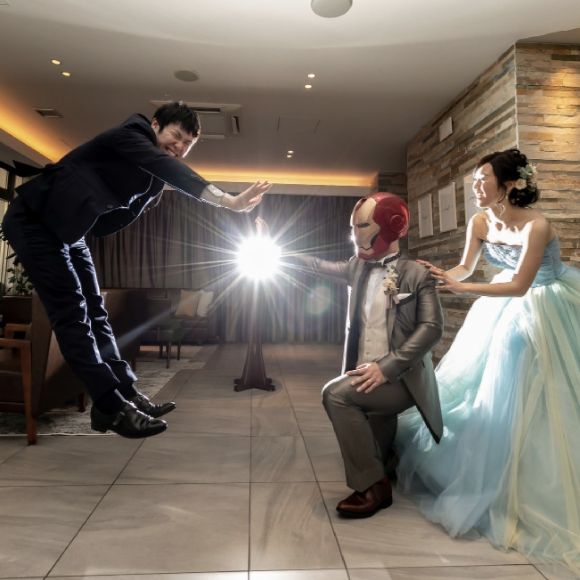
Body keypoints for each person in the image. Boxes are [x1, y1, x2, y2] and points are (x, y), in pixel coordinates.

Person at [1, 102, 272, 439]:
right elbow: (163, 164)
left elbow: (111, 222)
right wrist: (227, 201)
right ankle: (109, 406)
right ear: (155, 125)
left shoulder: (153, 175)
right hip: (34, 221)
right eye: (176, 136)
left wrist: (146, 195)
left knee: (96, 311)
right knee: (72, 314)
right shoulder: (130, 134)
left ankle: (127, 393)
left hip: (71, 231)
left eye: (188, 144)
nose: (180, 147)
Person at [395, 149, 580, 572]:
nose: (476, 187)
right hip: (501, 307)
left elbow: (520, 286)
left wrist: (463, 290)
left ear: (510, 184)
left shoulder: (537, 225)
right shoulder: (480, 222)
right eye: (474, 181)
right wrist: (443, 277)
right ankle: (491, 463)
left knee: (540, 383)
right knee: (489, 382)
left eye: (484, 180)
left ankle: (533, 479)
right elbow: (465, 267)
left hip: (546, 304)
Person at [287, 192, 444, 518]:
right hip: (365, 370)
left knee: (336, 395)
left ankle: (374, 487)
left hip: (402, 379)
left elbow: (431, 329)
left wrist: (386, 368)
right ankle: (384, 464)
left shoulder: (417, 273)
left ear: (393, 225)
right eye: (353, 227)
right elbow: (316, 266)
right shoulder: (356, 267)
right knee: (375, 432)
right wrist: (277, 253)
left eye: (362, 226)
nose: (355, 235)